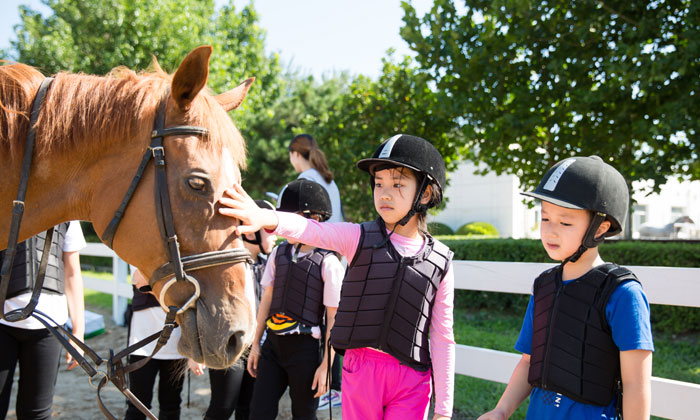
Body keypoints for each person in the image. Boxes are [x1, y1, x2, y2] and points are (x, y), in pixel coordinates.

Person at [220, 134, 456, 420]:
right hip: (362, 370)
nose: (384, 193)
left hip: (413, 381)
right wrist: (267, 218)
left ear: (426, 194)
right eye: (378, 184)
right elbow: (311, 230)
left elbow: (443, 338)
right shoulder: (357, 236)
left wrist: (443, 411)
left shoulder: (441, 260)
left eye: (397, 184)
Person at [477, 156, 654, 420]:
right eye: (545, 218)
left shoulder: (622, 294)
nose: (550, 231)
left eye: (565, 222)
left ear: (600, 227)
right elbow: (528, 361)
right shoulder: (544, 286)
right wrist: (501, 411)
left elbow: (636, 385)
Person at [244, 179, 344, 420]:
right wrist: (256, 344)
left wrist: (326, 366)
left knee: (303, 415)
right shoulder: (278, 254)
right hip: (273, 346)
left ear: (314, 219)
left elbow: (333, 318)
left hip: (306, 351)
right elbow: (267, 298)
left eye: (290, 218)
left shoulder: (328, 262)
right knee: (258, 412)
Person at [0, 221, 86, 419]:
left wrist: (78, 332)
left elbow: (72, 272)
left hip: (49, 328)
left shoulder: (67, 211)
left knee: (37, 413)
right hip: (3, 323)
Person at [204, 199, 278, 420]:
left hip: (257, 347)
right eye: (269, 229)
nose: (275, 235)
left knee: (249, 407)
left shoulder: (269, 265)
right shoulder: (227, 267)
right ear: (250, 230)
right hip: (230, 345)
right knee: (223, 407)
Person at [288, 133, 345, 409]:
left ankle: (328, 386)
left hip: (318, 252)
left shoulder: (305, 182)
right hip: (335, 250)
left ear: (295, 154)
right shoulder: (327, 179)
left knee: (320, 320)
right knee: (329, 318)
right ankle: (332, 387)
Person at [125, 269, 206, 420]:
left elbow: (193, 290)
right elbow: (140, 280)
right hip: (142, 341)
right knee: (137, 404)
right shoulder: (139, 248)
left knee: (171, 405)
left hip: (177, 339)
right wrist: (177, 285)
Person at [288, 134, 344, 223]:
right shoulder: (326, 177)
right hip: (336, 234)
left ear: (296, 154)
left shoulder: (305, 179)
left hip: (321, 235)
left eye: (290, 155)